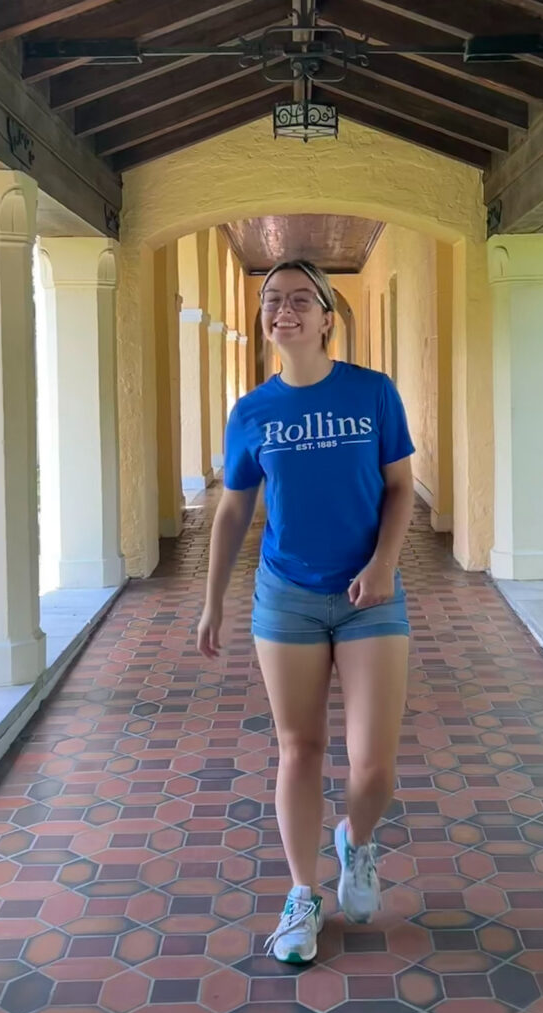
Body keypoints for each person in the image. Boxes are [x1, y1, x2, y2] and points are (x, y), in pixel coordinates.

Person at [197, 259, 415, 964]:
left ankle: (355, 840)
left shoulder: (373, 393)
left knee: (373, 766)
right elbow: (233, 509)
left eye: (300, 300)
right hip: (285, 595)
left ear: (328, 317)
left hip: (368, 596)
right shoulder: (252, 410)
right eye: (272, 300)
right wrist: (212, 602)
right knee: (300, 748)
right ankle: (301, 893)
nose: (282, 310)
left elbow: (401, 489)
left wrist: (384, 563)